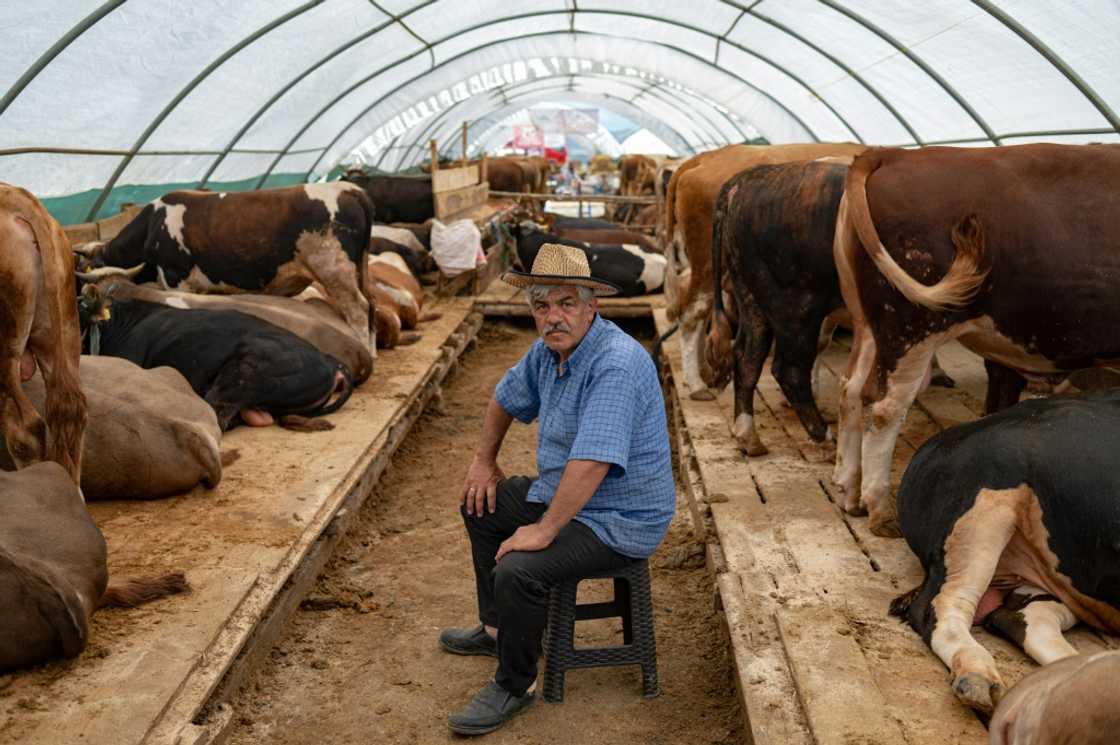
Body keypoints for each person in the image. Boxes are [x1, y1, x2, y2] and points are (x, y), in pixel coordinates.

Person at [439, 243, 676, 736]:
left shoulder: (615, 363)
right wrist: (484, 462)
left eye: (567, 303)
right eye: (542, 305)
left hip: (619, 517)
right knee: (479, 503)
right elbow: (504, 398)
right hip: (567, 494)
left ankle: (515, 683)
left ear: (593, 306)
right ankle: (498, 630)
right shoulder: (548, 350)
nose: (553, 316)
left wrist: (544, 530)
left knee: (519, 569)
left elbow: (591, 464)